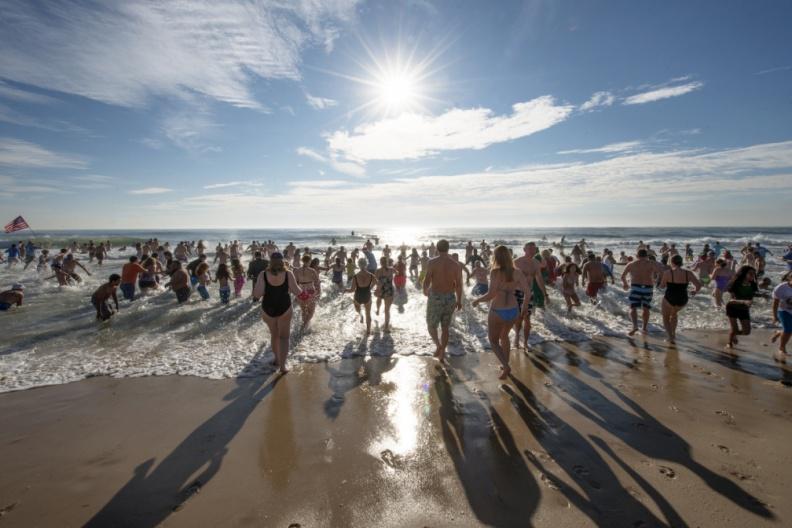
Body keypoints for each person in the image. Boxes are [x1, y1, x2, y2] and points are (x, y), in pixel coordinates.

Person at [472, 245, 530, 379]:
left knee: (493, 341)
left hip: (497, 311)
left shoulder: (495, 272)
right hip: (513, 310)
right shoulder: (518, 272)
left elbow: (491, 294)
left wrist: (477, 301)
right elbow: (527, 292)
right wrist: (524, 308)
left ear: (495, 257)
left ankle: (506, 365)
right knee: (504, 337)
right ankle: (505, 366)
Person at [253, 252, 302, 373]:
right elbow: (297, 291)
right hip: (284, 307)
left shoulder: (263, 274)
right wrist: (308, 296)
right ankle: (283, 367)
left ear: (270, 261)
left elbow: (257, 294)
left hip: (268, 308)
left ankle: (277, 359)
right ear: (282, 261)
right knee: (284, 337)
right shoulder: (288, 274)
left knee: (274, 335)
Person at [422, 239, 463, 363]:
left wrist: (425, 289)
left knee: (431, 325)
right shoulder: (455, 265)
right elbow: (459, 285)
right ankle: (442, 353)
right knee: (445, 327)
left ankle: (439, 346)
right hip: (450, 297)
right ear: (448, 248)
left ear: (437, 249)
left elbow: (427, 279)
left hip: (436, 297)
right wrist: (459, 300)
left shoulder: (432, 262)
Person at [659, 255, 702, 344]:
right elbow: (698, 285)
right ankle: (673, 334)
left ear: (672, 262)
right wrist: (694, 291)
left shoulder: (668, 272)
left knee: (666, 317)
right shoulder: (688, 273)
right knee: (674, 314)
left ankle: (670, 337)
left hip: (670, 297)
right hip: (682, 299)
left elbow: (662, 286)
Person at [513, 242, 547, 349]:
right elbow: (510, 279)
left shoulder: (536, 263)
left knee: (527, 318)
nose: (532, 251)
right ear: (524, 249)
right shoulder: (517, 262)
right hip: (517, 292)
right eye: (530, 249)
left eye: (534, 249)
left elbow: (539, 278)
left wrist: (545, 294)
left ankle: (526, 343)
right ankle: (517, 336)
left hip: (530, 293)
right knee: (518, 318)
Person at [621, 249, 660, 336]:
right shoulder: (651, 263)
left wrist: (625, 284)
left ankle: (635, 326)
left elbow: (623, 276)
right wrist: (655, 280)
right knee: (646, 308)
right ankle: (644, 328)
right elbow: (660, 273)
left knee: (633, 307)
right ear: (646, 256)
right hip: (648, 288)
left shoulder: (631, 264)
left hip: (635, 287)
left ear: (637, 255)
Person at [725, 265, 758, 349]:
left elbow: (751, 298)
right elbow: (731, 300)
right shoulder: (735, 283)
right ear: (744, 274)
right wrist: (743, 301)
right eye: (750, 273)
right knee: (734, 328)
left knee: (747, 332)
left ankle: (733, 334)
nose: (752, 276)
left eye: (754, 274)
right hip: (732, 308)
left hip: (744, 309)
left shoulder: (753, 285)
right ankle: (729, 342)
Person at [347, 258, 376, 335]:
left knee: (357, 308)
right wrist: (370, 288)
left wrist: (345, 290)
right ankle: (368, 331)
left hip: (358, 295)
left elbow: (352, 290)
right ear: (366, 264)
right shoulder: (371, 275)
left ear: (359, 265)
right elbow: (376, 282)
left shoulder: (355, 276)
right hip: (367, 295)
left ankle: (360, 315)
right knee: (368, 314)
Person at [294, 254, 320, 328]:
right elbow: (317, 282)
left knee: (304, 311)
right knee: (311, 311)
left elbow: (295, 283)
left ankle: (304, 325)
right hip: (310, 291)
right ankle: (304, 325)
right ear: (309, 261)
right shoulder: (312, 270)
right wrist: (318, 292)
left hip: (300, 291)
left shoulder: (297, 270)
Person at [771, 272, 792, 363]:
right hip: (783, 310)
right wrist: (774, 316)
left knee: (789, 330)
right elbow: (775, 303)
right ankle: (781, 347)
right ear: (790, 278)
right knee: (788, 330)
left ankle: (779, 332)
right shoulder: (781, 288)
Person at [374, 256, 396, 331]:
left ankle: (377, 309)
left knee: (379, 299)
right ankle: (386, 327)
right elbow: (397, 273)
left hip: (380, 289)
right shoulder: (391, 269)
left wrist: (376, 289)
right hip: (389, 290)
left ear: (380, 263)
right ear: (387, 262)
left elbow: (375, 281)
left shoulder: (378, 271)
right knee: (387, 310)